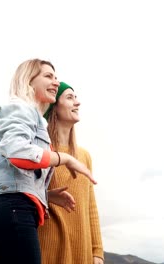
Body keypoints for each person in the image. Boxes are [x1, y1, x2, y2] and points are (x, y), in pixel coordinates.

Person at [0, 59, 97, 264]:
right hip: (13, 212)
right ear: (29, 81)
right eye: (48, 76)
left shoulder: (28, 120)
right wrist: (64, 158)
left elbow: (11, 172)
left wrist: (45, 195)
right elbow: (16, 152)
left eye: (56, 77)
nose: (56, 82)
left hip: (5, 212)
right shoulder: (21, 109)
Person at [38, 82, 104, 264]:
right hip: (49, 247)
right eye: (69, 97)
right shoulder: (41, 151)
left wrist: (97, 250)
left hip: (82, 249)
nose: (77, 103)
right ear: (54, 107)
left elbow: (90, 205)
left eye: (75, 97)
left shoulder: (84, 156)